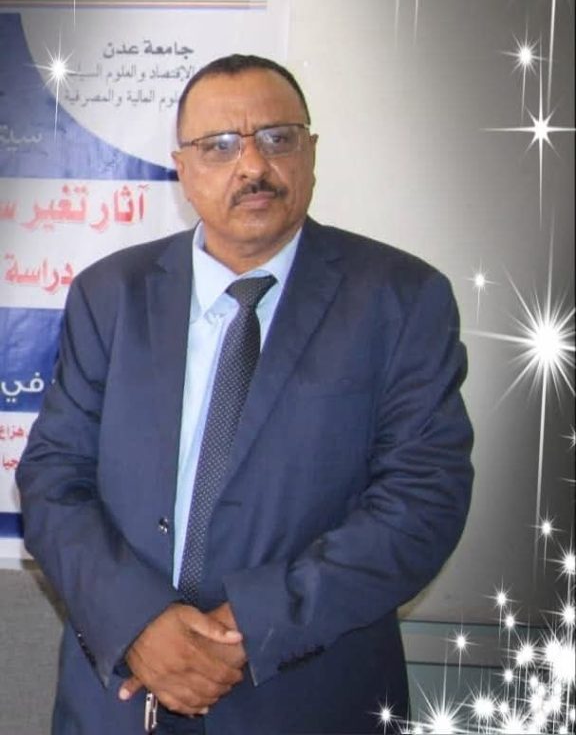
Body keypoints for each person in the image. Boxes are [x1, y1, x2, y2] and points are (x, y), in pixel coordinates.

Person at [17, 54, 474, 735]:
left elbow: (421, 502)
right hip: (120, 694)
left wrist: (250, 627)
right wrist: (139, 623)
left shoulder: (401, 299)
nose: (253, 165)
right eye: (220, 146)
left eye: (278, 138)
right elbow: (53, 480)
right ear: (182, 169)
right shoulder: (109, 295)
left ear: (310, 152)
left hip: (305, 696)